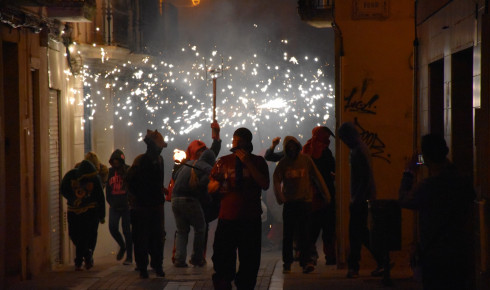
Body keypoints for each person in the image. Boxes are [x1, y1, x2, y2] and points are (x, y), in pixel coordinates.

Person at [398, 134, 475, 289]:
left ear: (425, 158)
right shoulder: (461, 182)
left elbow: (404, 199)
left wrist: (409, 171)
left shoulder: (427, 187)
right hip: (460, 252)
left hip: (434, 256)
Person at [208, 127, 270, 290]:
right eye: (235, 141)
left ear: (247, 143)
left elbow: (264, 184)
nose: (236, 144)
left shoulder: (258, 162)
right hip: (227, 218)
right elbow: (210, 187)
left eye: (239, 141)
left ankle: (245, 285)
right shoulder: (224, 161)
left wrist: (248, 162)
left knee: (249, 260)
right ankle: (223, 282)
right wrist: (219, 182)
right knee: (222, 257)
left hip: (250, 218)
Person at [273, 136, 331, 274]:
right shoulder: (283, 163)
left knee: (304, 233)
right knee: (288, 235)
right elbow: (276, 180)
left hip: (304, 202)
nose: (292, 150)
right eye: (289, 147)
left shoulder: (305, 160)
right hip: (291, 203)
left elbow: (317, 177)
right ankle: (287, 262)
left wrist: (326, 195)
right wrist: (281, 198)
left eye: (294, 147)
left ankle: (305, 262)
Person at [337, 122, 384, 278]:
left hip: (359, 200)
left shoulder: (358, 151)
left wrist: (357, 198)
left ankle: (354, 267)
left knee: (355, 233)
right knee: (362, 233)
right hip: (362, 198)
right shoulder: (360, 149)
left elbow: (364, 177)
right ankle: (381, 260)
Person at [126, 129, 167, 279]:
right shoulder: (140, 161)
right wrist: (134, 198)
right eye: (159, 146)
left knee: (158, 237)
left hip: (156, 205)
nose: (161, 148)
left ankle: (158, 265)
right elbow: (129, 181)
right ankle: (143, 267)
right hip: (141, 206)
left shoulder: (160, 160)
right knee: (141, 238)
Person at [171, 140, 216, 267]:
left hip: (175, 200)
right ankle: (197, 258)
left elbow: (175, 177)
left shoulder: (189, 164)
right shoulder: (207, 168)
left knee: (182, 230)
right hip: (190, 199)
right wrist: (209, 200)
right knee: (200, 228)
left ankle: (179, 259)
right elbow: (203, 186)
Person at [60, 159, 106, 271]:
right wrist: (73, 198)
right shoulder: (70, 176)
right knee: (74, 234)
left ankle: (79, 260)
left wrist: (101, 215)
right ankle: (87, 254)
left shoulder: (95, 179)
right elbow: (63, 189)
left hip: (90, 210)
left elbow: (100, 197)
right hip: (74, 210)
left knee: (87, 235)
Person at [302, 126, 337, 265]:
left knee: (328, 226)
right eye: (326, 137)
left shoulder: (325, 151)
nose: (328, 140)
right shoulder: (308, 151)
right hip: (315, 195)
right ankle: (310, 256)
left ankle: (329, 255)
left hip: (327, 193)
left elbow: (331, 167)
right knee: (313, 227)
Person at [106, 149, 132, 265]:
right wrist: (110, 202)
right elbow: (108, 189)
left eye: (117, 161)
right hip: (114, 206)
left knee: (127, 231)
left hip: (126, 206)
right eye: (114, 161)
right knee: (112, 227)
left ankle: (129, 257)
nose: (115, 164)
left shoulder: (128, 170)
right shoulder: (109, 172)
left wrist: (130, 201)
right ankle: (122, 246)